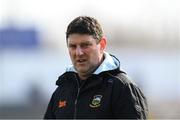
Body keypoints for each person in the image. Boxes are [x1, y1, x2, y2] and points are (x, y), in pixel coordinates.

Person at [44, 16, 148, 119]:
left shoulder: (122, 87)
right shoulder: (62, 91)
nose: (79, 53)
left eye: (85, 45)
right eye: (73, 46)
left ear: (102, 45)